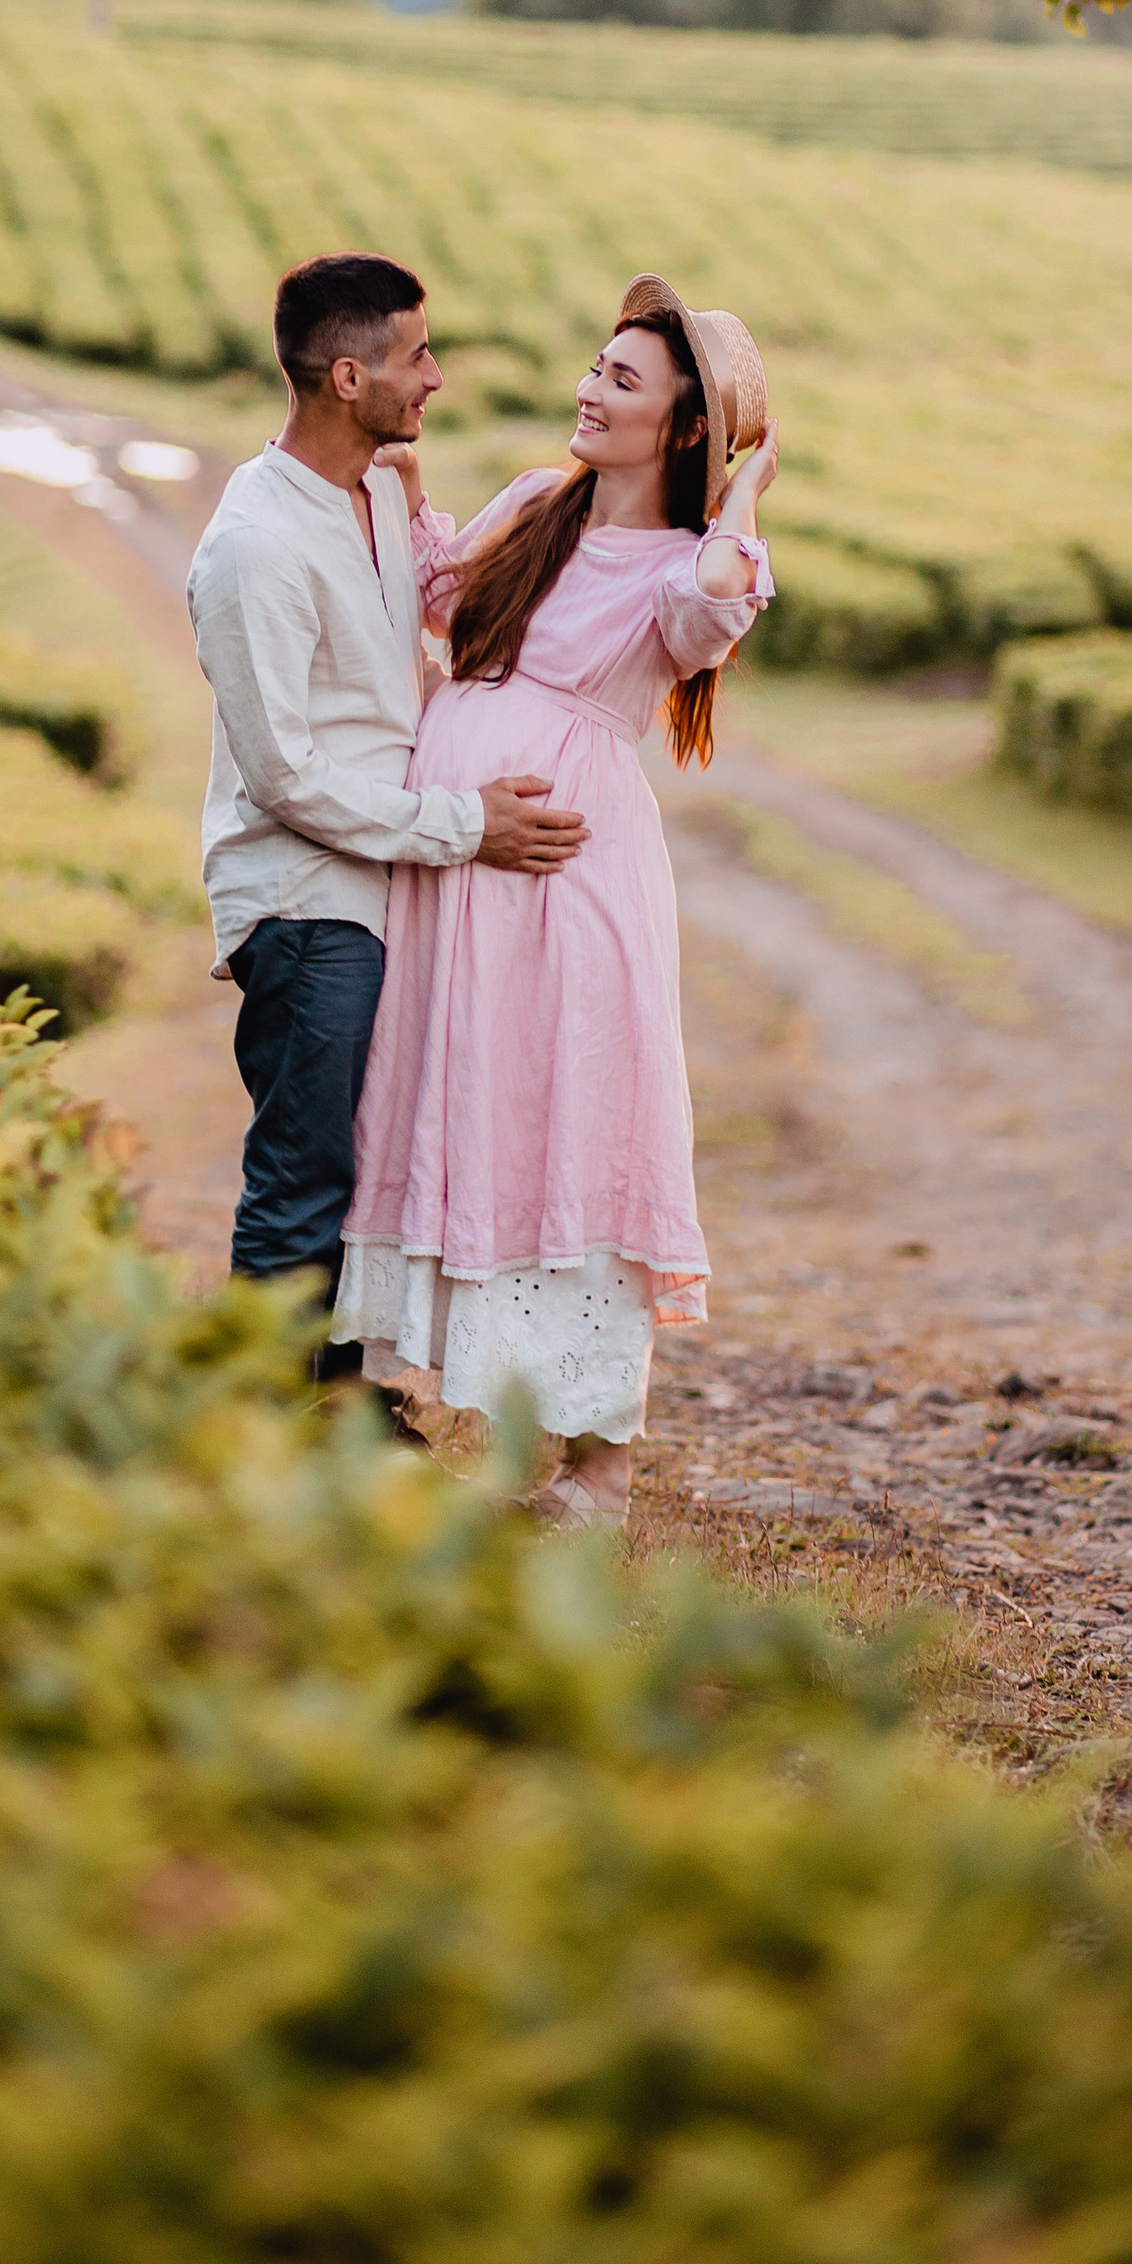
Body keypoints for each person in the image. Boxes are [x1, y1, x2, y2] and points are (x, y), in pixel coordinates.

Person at [332, 274, 777, 1523]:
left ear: (681, 431)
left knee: (566, 1110)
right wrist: (412, 486)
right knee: (443, 1088)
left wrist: (745, 492)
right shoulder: (538, 500)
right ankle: (380, 1395)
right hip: (453, 867)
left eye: (622, 381)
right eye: (595, 365)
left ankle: (597, 1472)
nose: (588, 390)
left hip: (562, 878)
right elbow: (444, 603)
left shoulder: (687, 563)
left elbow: (713, 609)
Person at [186, 250, 588, 1372]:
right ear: (349, 378)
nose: (437, 377)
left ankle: (334, 1398)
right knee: (304, 1174)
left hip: (381, 888)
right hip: (305, 902)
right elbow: (286, 776)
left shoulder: (369, 494)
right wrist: (468, 825)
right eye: (417, 356)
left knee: (360, 1169)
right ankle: (259, 1419)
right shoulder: (254, 550)